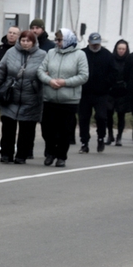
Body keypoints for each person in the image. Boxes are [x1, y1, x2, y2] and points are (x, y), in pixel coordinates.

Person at [0, 30, 46, 163]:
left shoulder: (42, 55)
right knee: (8, 127)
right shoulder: (11, 53)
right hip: (11, 95)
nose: (25, 43)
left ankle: (22, 155)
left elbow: (45, 73)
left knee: (27, 129)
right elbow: (1, 71)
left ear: (34, 42)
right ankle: (6, 154)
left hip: (31, 97)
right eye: (23, 40)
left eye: (28, 41)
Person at [37, 28, 89, 167]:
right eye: (56, 39)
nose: (57, 42)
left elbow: (83, 76)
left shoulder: (80, 55)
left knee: (64, 130)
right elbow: (41, 70)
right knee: (47, 129)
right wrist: (49, 80)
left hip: (69, 100)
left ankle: (61, 156)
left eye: (60, 40)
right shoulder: (51, 53)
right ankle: (50, 152)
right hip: (50, 97)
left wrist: (65, 82)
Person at [78, 33, 115, 153]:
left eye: (97, 44)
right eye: (93, 44)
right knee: (83, 118)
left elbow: (114, 72)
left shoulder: (107, 55)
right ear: (88, 42)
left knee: (101, 116)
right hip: (84, 92)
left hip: (101, 93)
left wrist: (107, 84)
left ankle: (100, 138)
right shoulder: (82, 53)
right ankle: (84, 142)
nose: (95, 46)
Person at [109, 39, 131, 146]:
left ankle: (119, 137)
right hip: (111, 89)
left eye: (123, 49)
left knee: (121, 115)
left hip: (123, 91)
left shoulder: (129, 60)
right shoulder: (111, 59)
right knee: (108, 113)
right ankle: (110, 135)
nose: (121, 51)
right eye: (119, 49)